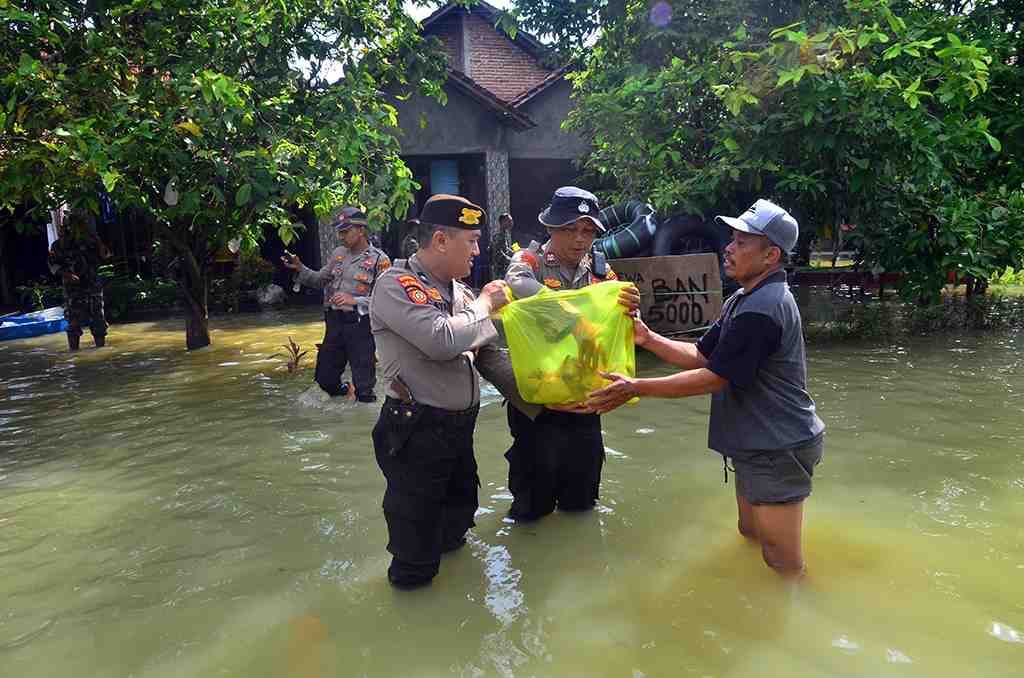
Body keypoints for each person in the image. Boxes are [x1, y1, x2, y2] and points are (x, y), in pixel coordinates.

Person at [587, 199, 825, 577]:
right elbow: (701, 355)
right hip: (756, 441)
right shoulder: (743, 298)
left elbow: (715, 377)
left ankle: (797, 617)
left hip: (778, 445)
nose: (729, 248)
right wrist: (647, 337)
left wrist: (636, 387)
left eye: (742, 242)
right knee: (750, 532)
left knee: (782, 561)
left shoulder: (763, 308)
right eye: (731, 239)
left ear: (770, 256)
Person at [368, 194, 539, 589]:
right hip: (416, 432)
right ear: (441, 240)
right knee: (415, 550)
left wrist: (544, 401)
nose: (478, 250)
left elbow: (489, 355)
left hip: (458, 431)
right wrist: (484, 303)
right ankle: (411, 631)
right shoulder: (396, 285)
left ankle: (458, 623)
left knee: (458, 524)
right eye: (472, 240)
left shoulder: (459, 294)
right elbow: (443, 340)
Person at [502, 187, 639, 522]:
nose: (580, 240)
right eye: (569, 229)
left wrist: (632, 309)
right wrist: (573, 317)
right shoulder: (529, 264)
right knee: (532, 501)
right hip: (537, 398)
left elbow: (621, 324)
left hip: (584, 397)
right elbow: (515, 285)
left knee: (582, 496)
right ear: (550, 228)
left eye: (588, 231)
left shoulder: (601, 273)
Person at [282, 208, 390, 402]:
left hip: (360, 326)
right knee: (324, 379)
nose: (341, 236)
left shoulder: (379, 260)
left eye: (345, 231)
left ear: (361, 230)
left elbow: (386, 302)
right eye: (339, 232)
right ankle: (345, 391)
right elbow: (319, 279)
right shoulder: (338, 254)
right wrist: (300, 268)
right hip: (334, 323)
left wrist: (354, 300)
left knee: (364, 388)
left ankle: (362, 422)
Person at [48, 209, 112, 351]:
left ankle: (101, 350)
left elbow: (105, 255)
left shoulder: (91, 241)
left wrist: (97, 240)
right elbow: (53, 264)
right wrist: (67, 274)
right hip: (73, 290)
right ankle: (74, 353)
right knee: (73, 324)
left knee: (99, 322)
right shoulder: (59, 245)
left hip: (93, 286)